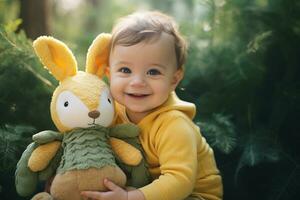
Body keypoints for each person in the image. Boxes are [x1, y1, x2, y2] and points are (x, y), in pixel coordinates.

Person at [81, 11, 223, 200]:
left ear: (174, 79)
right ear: (109, 73)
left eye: (153, 72)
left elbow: (180, 180)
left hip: (192, 195)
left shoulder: (174, 124)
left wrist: (130, 197)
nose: (138, 82)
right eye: (125, 70)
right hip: (143, 188)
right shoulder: (110, 112)